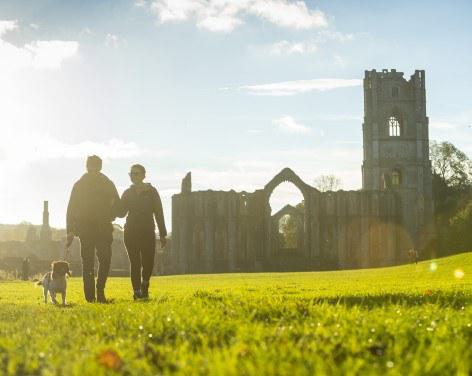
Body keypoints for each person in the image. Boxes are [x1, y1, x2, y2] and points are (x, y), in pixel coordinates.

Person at [66, 155, 120, 303]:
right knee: (88, 262)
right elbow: (71, 208)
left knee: (105, 259)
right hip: (85, 229)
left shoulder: (107, 184)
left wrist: (111, 214)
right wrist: (70, 230)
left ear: (100, 167)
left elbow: (118, 204)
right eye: (91, 165)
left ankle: (100, 290)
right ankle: (90, 297)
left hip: (103, 227)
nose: (93, 168)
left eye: (96, 166)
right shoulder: (79, 185)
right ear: (87, 166)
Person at [117, 164, 167, 300]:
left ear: (144, 175)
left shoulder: (152, 192)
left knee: (148, 262)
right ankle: (137, 291)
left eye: (137, 174)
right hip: (130, 232)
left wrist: (163, 233)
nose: (134, 176)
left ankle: (145, 283)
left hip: (147, 231)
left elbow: (159, 213)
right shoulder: (127, 193)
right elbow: (121, 213)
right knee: (135, 263)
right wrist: (112, 204)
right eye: (132, 174)